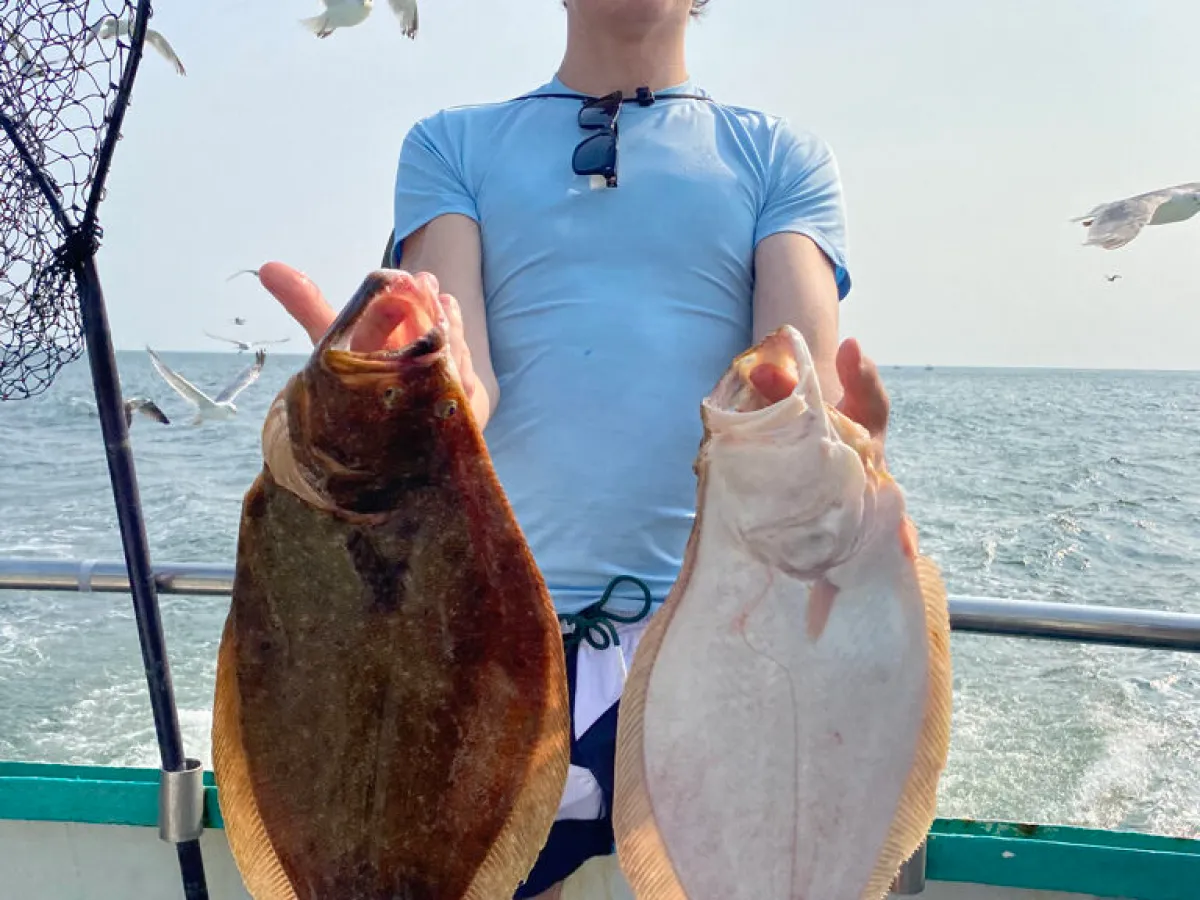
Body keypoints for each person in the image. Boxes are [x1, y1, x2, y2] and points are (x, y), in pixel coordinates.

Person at [257, 0, 891, 896]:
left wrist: (844, 451)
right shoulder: (450, 146)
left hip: (716, 648)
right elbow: (465, 381)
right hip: (492, 650)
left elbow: (789, 390)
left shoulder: (782, 156)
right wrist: (389, 398)